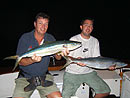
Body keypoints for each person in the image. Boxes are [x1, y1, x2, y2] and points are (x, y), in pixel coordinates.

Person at [13, 12, 68, 98]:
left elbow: (58, 58)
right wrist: (32, 60)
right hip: (25, 78)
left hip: (44, 77)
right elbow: (21, 62)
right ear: (35, 24)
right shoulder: (25, 38)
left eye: (46, 24)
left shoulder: (50, 38)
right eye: (40, 23)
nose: (43, 27)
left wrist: (60, 52)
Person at [62, 17, 115, 98]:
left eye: (90, 26)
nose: (88, 27)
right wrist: (75, 60)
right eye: (86, 25)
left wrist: (108, 66)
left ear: (92, 28)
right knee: (65, 96)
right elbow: (67, 55)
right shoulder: (74, 39)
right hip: (73, 73)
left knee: (105, 91)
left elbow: (97, 59)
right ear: (81, 27)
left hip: (89, 72)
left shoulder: (95, 41)